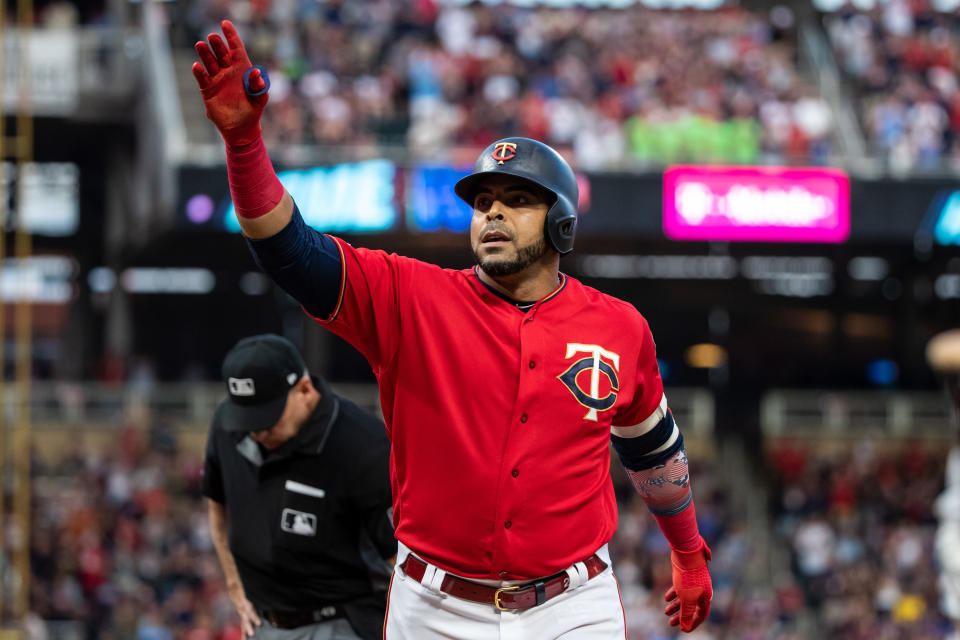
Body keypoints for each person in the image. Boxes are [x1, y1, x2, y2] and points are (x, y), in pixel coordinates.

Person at [192, 21, 713, 638]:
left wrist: (686, 551)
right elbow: (288, 252)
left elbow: (651, 447)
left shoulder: (619, 327)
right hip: (435, 607)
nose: (491, 210)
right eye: (482, 199)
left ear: (562, 223)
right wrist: (245, 143)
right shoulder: (410, 297)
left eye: (517, 199)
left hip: (574, 605)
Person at [204, 334, 395, 639]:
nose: (256, 431)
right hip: (262, 624)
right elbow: (217, 503)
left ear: (305, 390)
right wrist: (234, 585)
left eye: (267, 418)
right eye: (247, 418)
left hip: (342, 622)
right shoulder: (229, 427)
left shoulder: (363, 445)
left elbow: (400, 558)